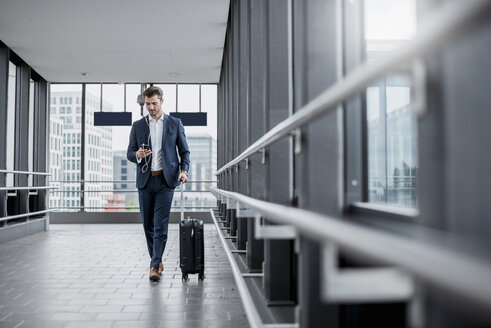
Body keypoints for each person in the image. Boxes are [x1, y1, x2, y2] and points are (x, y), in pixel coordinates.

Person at [127, 86, 190, 282]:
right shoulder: (138, 126)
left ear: (162, 101)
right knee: (148, 225)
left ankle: (154, 265)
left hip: (166, 180)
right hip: (145, 181)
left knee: (160, 225)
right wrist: (137, 155)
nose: (151, 107)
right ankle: (157, 260)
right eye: (147, 104)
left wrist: (184, 170)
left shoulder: (174, 124)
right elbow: (129, 152)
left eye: (154, 103)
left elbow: (185, 152)